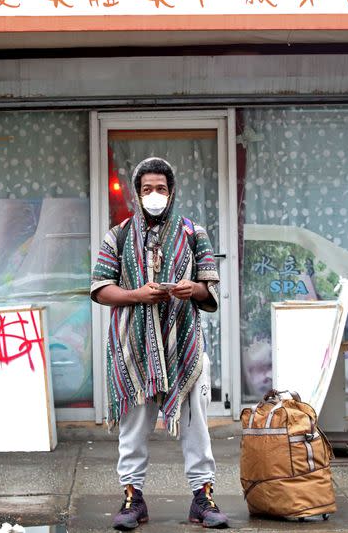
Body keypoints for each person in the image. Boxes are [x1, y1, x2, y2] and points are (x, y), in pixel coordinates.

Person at [91, 157, 229, 530]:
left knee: (196, 424)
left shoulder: (193, 232)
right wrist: (136, 295)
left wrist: (192, 289)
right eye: (148, 189)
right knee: (133, 427)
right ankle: (133, 498)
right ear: (137, 194)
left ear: (172, 192)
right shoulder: (117, 235)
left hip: (183, 346)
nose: (155, 195)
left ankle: (203, 497)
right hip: (132, 348)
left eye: (162, 189)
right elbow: (100, 289)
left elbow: (210, 287)